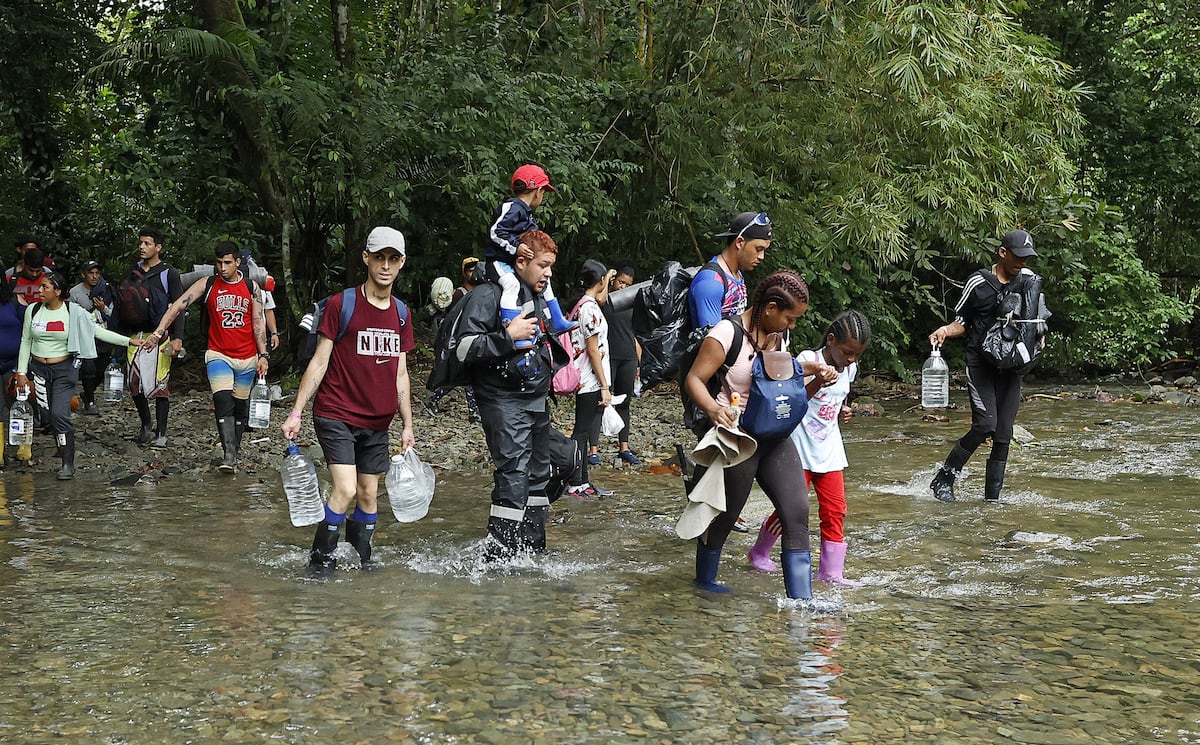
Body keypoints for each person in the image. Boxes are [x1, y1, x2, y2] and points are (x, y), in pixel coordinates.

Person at [682, 270, 837, 599]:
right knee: (725, 518)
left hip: (775, 437)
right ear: (770, 308)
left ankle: (802, 603)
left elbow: (784, 389)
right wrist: (713, 410)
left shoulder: (779, 337)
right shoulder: (726, 334)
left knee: (796, 514)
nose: (792, 325)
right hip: (738, 438)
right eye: (790, 318)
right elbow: (694, 379)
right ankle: (704, 586)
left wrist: (816, 378)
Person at [281, 226, 415, 576]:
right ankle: (320, 564)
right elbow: (319, 361)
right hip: (336, 412)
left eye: (393, 259)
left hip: (377, 421)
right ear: (366, 258)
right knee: (345, 488)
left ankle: (361, 562)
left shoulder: (401, 313)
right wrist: (296, 413)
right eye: (379, 257)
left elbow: (401, 374)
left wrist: (408, 425)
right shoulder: (342, 304)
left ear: (401, 263)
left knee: (368, 493)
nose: (385, 266)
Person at [450, 229, 567, 559]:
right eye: (543, 265)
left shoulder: (538, 296)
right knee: (514, 475)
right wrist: (507, 336)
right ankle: (498, 560)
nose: (548, 273)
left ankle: (532, 553)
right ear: (521, 262)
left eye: (551, 266)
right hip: (501, 400)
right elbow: (462, 349)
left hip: (535, 399)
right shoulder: (487, 295)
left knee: (539, 476)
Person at [747, 310, 872, 586]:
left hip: (830, 451)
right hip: (800, 449)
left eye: (856, 355)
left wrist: (843, 411)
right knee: (791, 510)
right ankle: (759, 552)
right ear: (831, 340)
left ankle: (831, 572)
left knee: (835, 509)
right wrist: (818, 380)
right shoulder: (808, 359)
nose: (851, 359)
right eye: (847, 352)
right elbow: (793, 399)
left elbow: (839, 398)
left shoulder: (850, 368)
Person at [928, 229, 1043, 503]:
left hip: (1011, 366)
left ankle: (992, 500)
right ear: (1003, 253)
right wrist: (945, 330)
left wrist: (1038, 342)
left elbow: (1037, 321)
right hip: (981, 364)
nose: (1022, 262)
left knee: (1003, 434)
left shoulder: (1028, 282)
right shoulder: (979, 282)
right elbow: (962, 321)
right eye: (1017, 256)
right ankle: (944, 477)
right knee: (984, 425)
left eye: (1026, 258)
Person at [148, 242, 269, 473]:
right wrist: (158, 332)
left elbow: (258, 322)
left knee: (240, 407)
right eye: (219, 263)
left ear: (237, 262)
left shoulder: (251, 287)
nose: (222, 268)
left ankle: (234, 450)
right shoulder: (208, 283)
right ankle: (228, 455)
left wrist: (263, 354)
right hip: (218, 353)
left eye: (227, 263)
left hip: (247, 356)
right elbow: (177, 306)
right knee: (222, 400)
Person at [686, 211, 773, 531]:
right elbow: (710, 338)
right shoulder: (710, 282)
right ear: (739, 242)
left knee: (728, 445)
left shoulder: (737, 276)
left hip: (732, 380)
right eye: (758, 249)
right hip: (710, 380)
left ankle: (722, 511)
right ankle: (704, 515)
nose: (761, 256)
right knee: (714, 443)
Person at [14, 272, 140, 479]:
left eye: (45, 287)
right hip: (39, 370)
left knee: (59, 414)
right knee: (48, 416)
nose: (40, 290)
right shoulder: (33, 310)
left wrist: (128, 341)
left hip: (64, 369)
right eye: (40, 286)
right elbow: (26, 340)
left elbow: (97, 331)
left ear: (57, 291)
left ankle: (67, 464)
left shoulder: (73, 312)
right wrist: (21, 372)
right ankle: (62, 446)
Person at [110, 228, 185, 447]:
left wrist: (178, 337)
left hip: (160, 335)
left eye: (147, 243)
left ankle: (161, 432)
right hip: (135, 335)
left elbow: (179, 306)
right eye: (141, 243)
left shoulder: (169, 273)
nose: (142, 247)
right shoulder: (132, 271)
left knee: (160, 384)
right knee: (133, 383)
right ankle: (145, 424)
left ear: (158, 247)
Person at [486, 164, 576, 346]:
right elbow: (495, 232)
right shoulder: (512, 207)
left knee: (546, 281)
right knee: (511, 285)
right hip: (499, 261)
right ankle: (512, 329)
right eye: (543, 192)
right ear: (538, 192)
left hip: (515, 262)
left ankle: (557, 319)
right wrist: (516, 247)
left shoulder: (527, 214)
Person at [566, 260, 617, 499]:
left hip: (586, 377)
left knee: (584, 431)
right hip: (589, 379)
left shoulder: (582, 305)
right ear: (600, 281)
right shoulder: (589, 308)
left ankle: (583, 481)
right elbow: (593, 350)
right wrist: (604, 385)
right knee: (581, 431)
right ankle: (575, 482)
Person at [424, 257, 481, 422]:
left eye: (475, 270)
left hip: (470, 338)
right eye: (470, 271)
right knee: (466, 374)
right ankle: (473, 412)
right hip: (458, 340)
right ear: (464, 273)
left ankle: (435, 399)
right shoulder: (458, 294)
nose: (473, 274)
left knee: (462, 375)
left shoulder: (480, 292)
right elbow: (452, 319)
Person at [601, 264, 642, 465]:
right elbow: (598, 298)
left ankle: (624, 447)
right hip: (607, 357)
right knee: (601, 401)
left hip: (628, 357)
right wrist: (608, 278)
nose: (622, 287)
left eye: (627, 284)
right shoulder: (604, 301)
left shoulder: (632, 305)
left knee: (625, 402)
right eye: (620, 282)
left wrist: (639, 364)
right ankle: (592, 450)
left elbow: (636, 336)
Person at [69, 260, 114, 415]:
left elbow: (114, 314)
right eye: (91, 273)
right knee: (88, 369)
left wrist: (103, 308)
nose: (94, 276)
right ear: (84, 275)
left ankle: (88, 392)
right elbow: (69, 314)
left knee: (102, 369)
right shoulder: (75, 292)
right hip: (84, 335)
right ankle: (90, 401)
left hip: (103, 333)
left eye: (97, 273)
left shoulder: (107, 290)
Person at [0, 278, 28, 465]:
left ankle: (23, 447)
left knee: (18, 405)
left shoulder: (15, 301)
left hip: (14, 364)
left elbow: (29, 331)